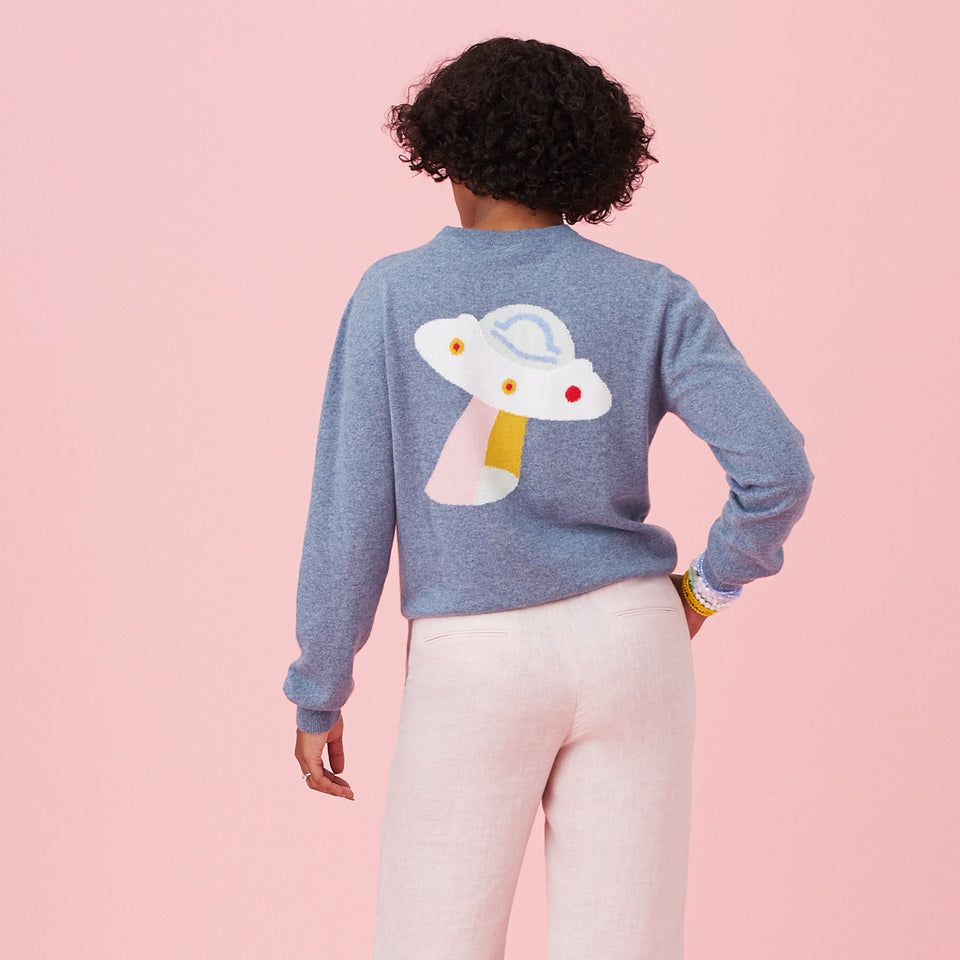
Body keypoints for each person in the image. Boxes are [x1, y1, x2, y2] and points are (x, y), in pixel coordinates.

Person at [284, 36, 813, 960]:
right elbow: (778, 469)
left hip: (475, 652)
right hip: (635, 644)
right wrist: (705, 590)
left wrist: (319, 690)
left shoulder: (394, 293)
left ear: (446, 148)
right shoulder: (652, 296)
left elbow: (349, 515)